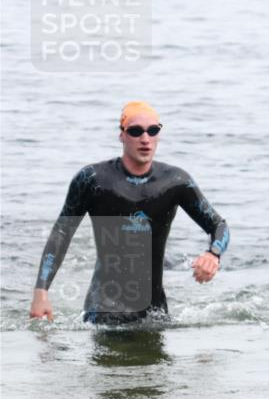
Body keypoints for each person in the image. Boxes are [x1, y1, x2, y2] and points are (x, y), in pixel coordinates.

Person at [29, 101, 229, 325]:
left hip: (154, 312)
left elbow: (219, 226)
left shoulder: (175, 181)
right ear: (122, 135)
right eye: (135, 131)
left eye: (153, 130)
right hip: (103, 310)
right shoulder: (92, 180)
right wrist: (41, 293)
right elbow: (61, 234)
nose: (145, 138)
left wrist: (213, 254)